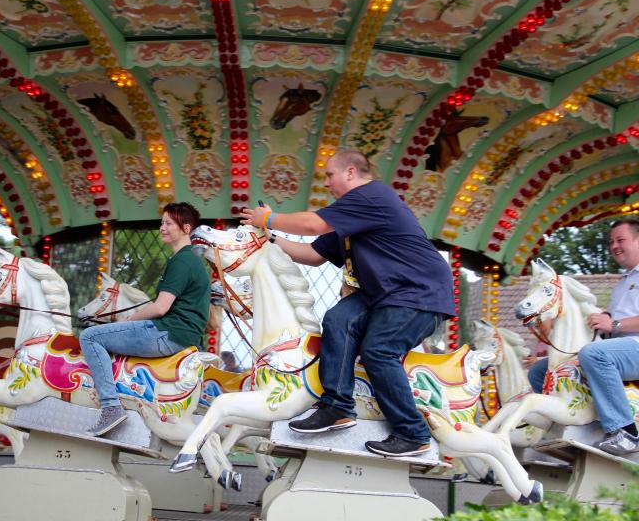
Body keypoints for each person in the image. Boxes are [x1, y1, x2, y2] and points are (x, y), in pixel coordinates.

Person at [240, 150, 454, 457]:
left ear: (351, 172)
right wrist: (269, 238)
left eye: (330, 175)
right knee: (338, 318)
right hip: (384, 294)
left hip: (418, 291)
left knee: (379, 350)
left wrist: (270, 218)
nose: (326, 183)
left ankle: (412, 433)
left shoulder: (371, 196)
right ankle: (337, 407)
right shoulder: (352, 216)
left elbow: (313, 225)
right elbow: (313, 255)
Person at [80, 202, 210, 436]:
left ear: (186, 228)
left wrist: (128, 320)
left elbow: (160, 307)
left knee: (89, 336)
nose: (162, 228)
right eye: (162, 223)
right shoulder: (191, 260)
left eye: (169, 223)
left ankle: (110, 407)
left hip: (168, 332)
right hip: (182, 335)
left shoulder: (182, 261)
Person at [526, 219, 639, 454]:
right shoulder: (624, 282)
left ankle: (626, 432)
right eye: (611, 242)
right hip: (620, 347)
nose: (614, 246)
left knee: (593, 353)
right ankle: (566, 425)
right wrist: (603, 317)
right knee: (541, 370)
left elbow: (617, 324)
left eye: (620, 240)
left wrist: (614, 323)